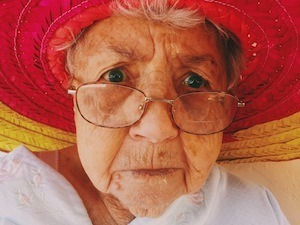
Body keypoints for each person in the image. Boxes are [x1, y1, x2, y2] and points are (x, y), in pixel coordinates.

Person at [0, 0, 299, 224]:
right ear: (74, 94)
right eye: (115, 76)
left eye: (195, 81)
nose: (157, 130)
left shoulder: (252, 211)